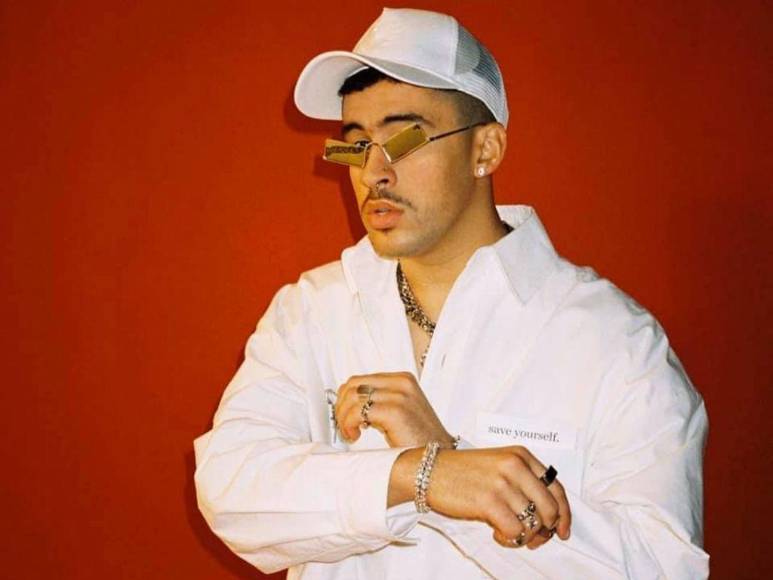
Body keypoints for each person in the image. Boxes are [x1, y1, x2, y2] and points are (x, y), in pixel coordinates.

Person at [194, 8, 708, 579]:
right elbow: (230, 491)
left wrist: (457, 468)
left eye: (405, 138)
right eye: (356, 144)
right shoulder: (310, 310)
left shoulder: (615, 342)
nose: (373, 172)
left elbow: (663, 569)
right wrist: (424, 474)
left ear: (485, 150)